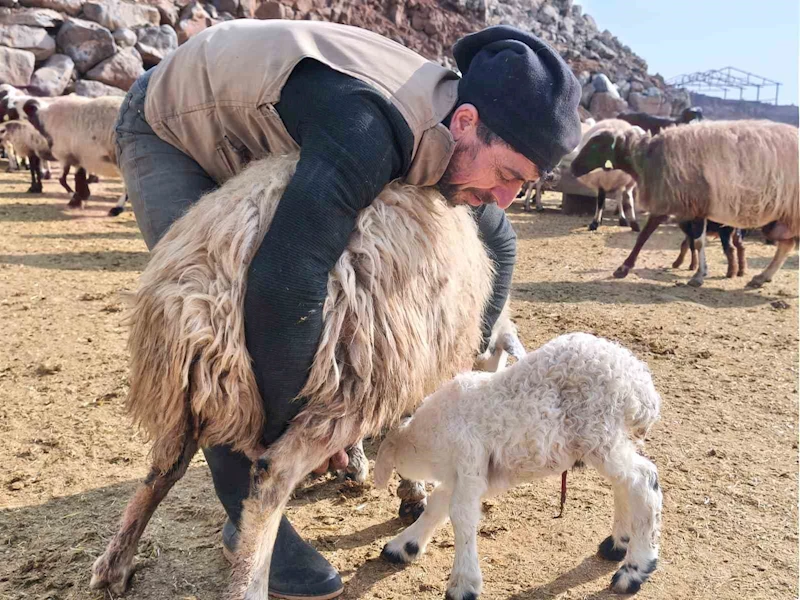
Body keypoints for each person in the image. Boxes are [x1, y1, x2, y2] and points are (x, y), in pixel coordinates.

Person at [115, 19, 581, 600]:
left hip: (274, 131)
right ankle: (251, 514)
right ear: (466, 123)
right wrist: (300, 432)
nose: (506, 196)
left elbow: (501, 242)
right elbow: (286, 282)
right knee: (214, 328)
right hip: (176, 126)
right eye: (508, 175)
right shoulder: (368, 126)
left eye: (525, 184)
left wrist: (453, 367)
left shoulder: (463, 148)